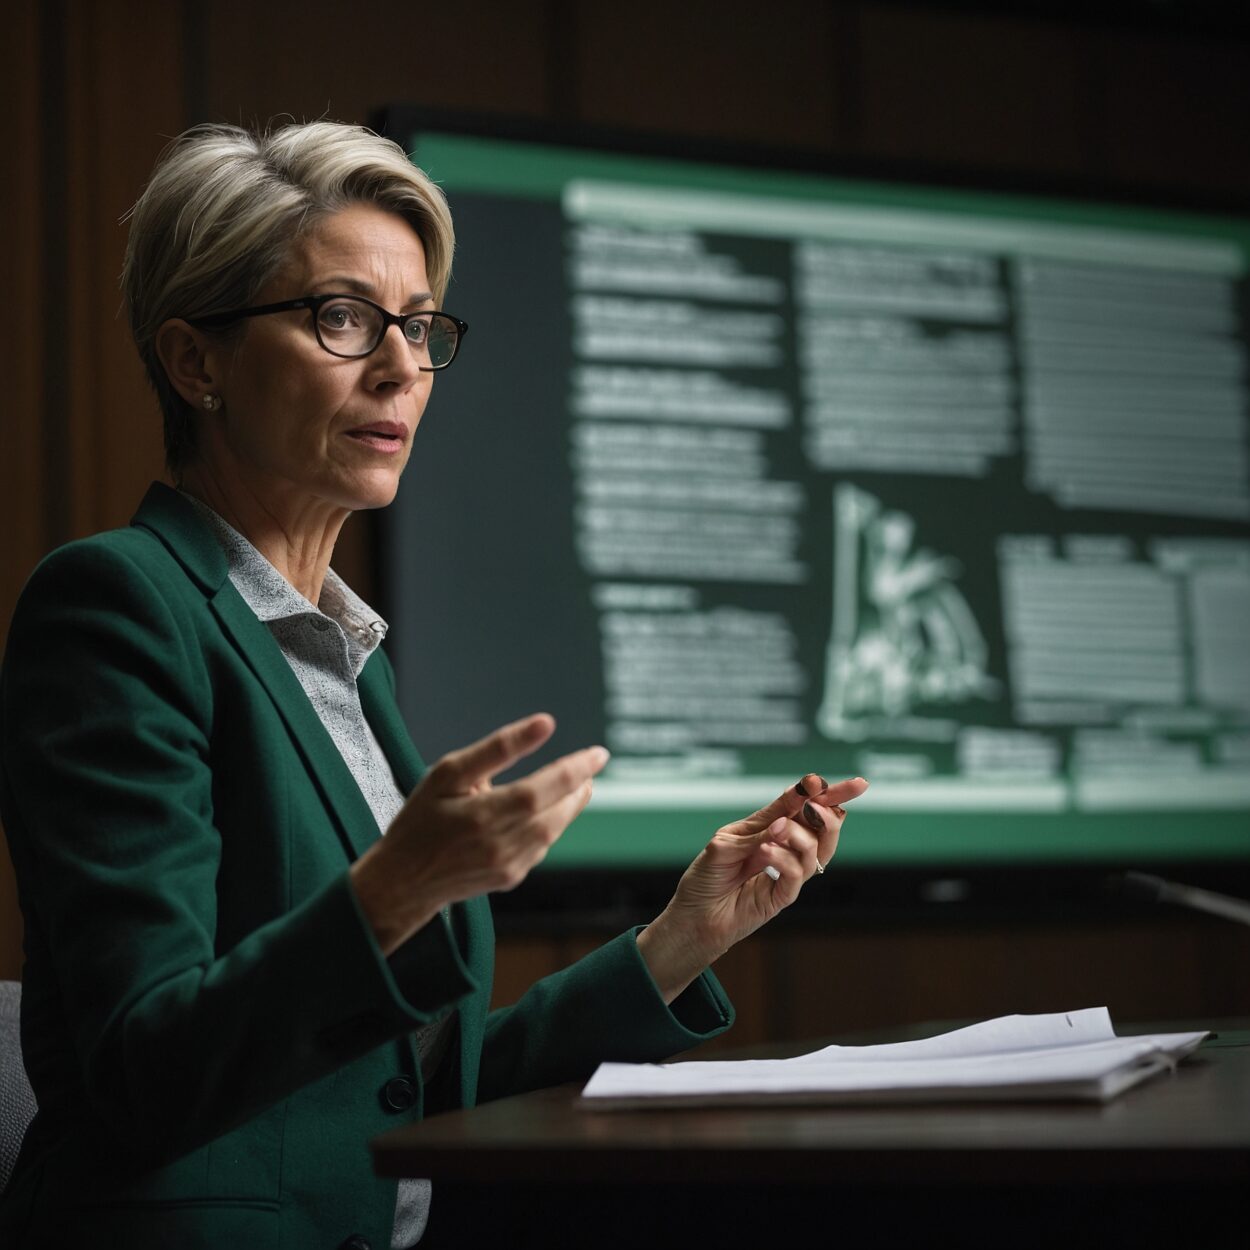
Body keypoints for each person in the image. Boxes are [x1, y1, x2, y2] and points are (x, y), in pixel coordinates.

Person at [0, 120, 867, 1249]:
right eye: (342, 317)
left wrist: (679, 940)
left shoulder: (347, 660)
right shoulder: (120, 606)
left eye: (416, 325)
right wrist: (393, 893)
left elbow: (399, 1089)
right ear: (195, 361)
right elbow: (140, 1069)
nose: (402, 366)